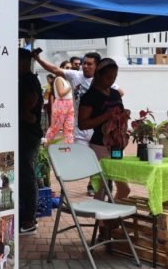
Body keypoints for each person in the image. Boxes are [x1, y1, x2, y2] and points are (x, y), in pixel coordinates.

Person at [33, 50, 123, 195]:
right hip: (81, 129)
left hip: (99, 133)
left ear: (97, 66)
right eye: (83, 63)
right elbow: (54, 69)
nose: (85, 67)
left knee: (100, 164)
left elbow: (120, 93)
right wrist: (37, 58)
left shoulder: (108, 82)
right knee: (80, 161)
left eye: (89, 64)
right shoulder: (76, 75)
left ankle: (94, 187)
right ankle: (65, 189)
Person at [78, 58, 131, 200]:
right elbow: (83, 124)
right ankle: (102, 221)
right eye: (108, 77)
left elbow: (120, 114)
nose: (112, 80)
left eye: (114, 77)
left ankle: (113, 218)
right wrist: (106, 116)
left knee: (124, 189)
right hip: (100, 145)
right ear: (98, 75)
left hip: (116, 145)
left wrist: (124, 118)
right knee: (101, 190)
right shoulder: (89, 97)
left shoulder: (115, 94)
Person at [18, 48, 43, 236]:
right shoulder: (25, 79)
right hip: (25, 133)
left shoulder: (29, 80)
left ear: (24, 62)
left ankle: (28, 219)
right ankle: (25, 216)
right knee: (24, 174)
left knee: (26, 175)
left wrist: (23, 113)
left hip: (28, 135)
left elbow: (30, 108)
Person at [43, 61, 75, 144]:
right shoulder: (59, 79)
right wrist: (70, 87)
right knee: (55, 127)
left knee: (69, 127)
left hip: (69, 104)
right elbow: (60, 93)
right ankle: (45, 145)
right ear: (61, 68)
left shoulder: (67, 80)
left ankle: (69, 147)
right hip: (61, 104)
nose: (69, 70)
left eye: (70, 68)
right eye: (67, 68)